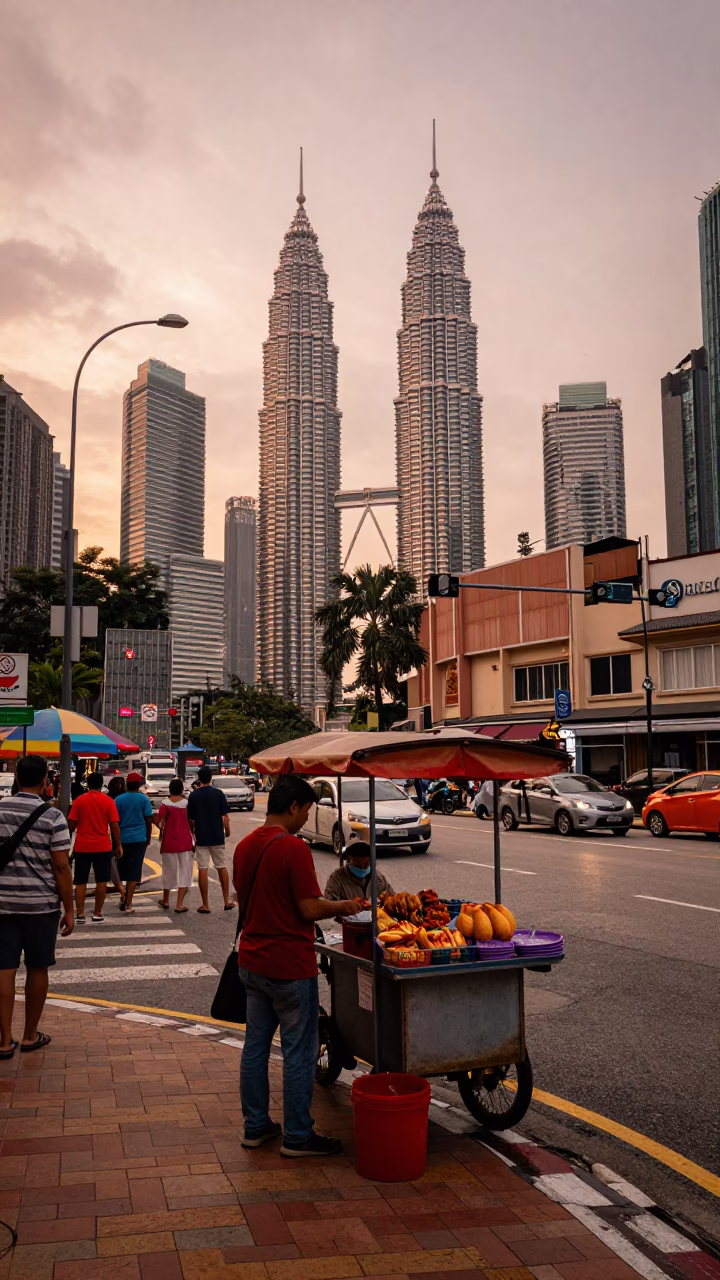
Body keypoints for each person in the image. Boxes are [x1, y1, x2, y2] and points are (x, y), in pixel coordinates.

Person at [233, 775, 368, 1158]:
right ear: (293, 806)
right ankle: (297, 1135)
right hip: (289, 964)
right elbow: (309, 908)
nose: (306, 818)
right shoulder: (292, 848)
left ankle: (256, 1126)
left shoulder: (245, 846)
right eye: (307, 810)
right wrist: (344, 906)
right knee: (299, 1051)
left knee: (255, 1047)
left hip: (252, 961)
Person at [0, 755, 74, 1055]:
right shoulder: (53, 817)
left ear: (17, 777)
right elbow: (60, 867)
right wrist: (70, 908)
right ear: (46, 780)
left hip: (2, 903)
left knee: (3, 970)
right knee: (37, 967)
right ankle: (30, 1034)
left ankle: (3, 1040)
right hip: (41, 906)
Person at [68, 771, 122, 923]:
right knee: (101, 881)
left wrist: (68, 834)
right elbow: (114, 824)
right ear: (101, 784)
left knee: (80, 881)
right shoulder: (108, 801)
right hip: (103, 846)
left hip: (82, 846)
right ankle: (98, 912)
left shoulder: (79, 801)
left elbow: (71, 823)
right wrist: (118, 845)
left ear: (88, 783)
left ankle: (80, 914)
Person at [187, 765, 233, 912]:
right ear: (211, 778)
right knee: (221, 866)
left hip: (202, 836)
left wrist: (193, 833)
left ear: (199, 778)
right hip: (217, 836)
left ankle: (205, 904)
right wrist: (227, 831)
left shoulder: (194, 796)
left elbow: (191, 819)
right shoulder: (219, 794)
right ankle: (226, 901)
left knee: (203, 868)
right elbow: (225, 816)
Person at [114, 773, 154, 913]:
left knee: (121, 870)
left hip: (122, 839)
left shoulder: (118, 800)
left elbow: (115, 822)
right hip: (139, 839)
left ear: (126, 784)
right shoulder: (143, 799)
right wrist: (148, 838)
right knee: (134, 871)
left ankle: (122, 893)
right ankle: (129, 903)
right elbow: (149, 820)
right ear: (139, 785)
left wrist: (115, 841)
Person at [157, 778, 194, 912]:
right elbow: (192, 822)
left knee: (168, 871)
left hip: (169, 842)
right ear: (181, 789)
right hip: (185, 841)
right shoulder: (187, 803)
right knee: (185, 871)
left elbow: (159, 820)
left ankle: (166, 900)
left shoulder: (165, 803)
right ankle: (179, 904)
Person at [324, 841, 394, 902]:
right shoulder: (337, 878)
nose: (361, 867)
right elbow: (328, 904)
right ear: (349, 860)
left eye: (365, 864)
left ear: (370, 862)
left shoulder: (378, 878)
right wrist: (346, 905)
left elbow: (392, 897)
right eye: (357, 864)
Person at [107, 776, 128, 905]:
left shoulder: (108, 798)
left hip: (108, 835)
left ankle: (121, 888)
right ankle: (122, 889)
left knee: (112, 863)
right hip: (123, 834)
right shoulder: (122, 798)